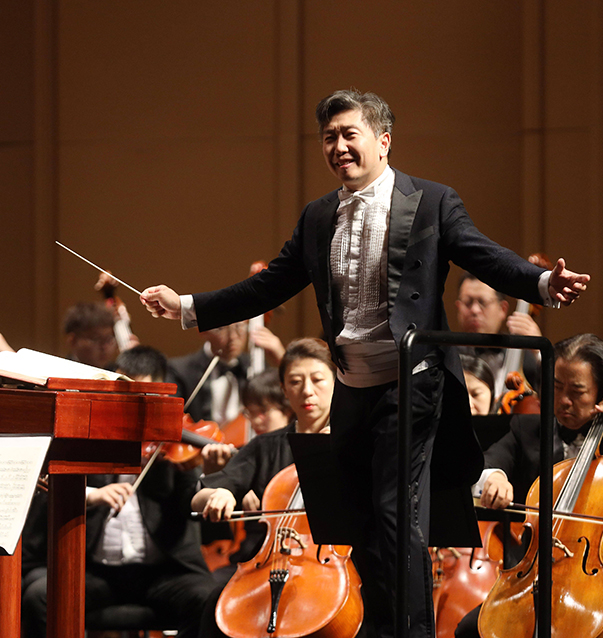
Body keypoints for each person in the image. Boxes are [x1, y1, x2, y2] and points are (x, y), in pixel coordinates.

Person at [140, 89, 590, 638]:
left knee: (397, 517)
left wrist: (541, 283)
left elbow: (483, 254)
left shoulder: (431, 201)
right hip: (353, 388)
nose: (338, 147)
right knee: (362, 527)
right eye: (329, 137)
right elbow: (267, 285)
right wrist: (187, 306)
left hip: (412, 384)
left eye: (349, 134)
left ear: (383, 140)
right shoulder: (317, 216)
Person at [21, 345, 216, 638]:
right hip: (97, 572)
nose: (133, 408)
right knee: (40, 595)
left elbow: (192, 506)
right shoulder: (88, 439)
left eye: (144, 397)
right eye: (125, 397)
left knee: (207, 596)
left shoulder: (175, 451)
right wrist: (91, 495)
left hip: (162, 572)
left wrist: (207, 474)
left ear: (162, 395)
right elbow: (47, 489)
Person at [455, 333, 603, 638]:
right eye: (557, 386)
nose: (563, 400)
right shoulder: (528, 428)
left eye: (577, 391)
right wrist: (494, 478)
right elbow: (487, 463)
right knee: (469, 630)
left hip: (593, 580)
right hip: (533, 574)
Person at [191, 338, 336, 638]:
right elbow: (199, 497)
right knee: (212, 604)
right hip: (264, 564)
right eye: (295, 382)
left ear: (336, 383)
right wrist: (220, 493)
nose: (307, 390)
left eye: (318, 380)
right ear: (284, 390)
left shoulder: (354, 444)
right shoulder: (266, 446)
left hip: (331, 565)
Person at [455, 272, 543, 399]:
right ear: (458, 307)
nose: (474, 310)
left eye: (482, 302)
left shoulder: (524, 356)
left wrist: (539, 351)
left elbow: (551, 393)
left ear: (503, 309)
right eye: (468, 302)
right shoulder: (446, 354)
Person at [63, 301, 119, 369]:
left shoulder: (118, 372)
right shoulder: (60, 371)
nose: (104, 347)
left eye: (108, 339)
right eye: (96, 339)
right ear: (73, 340)